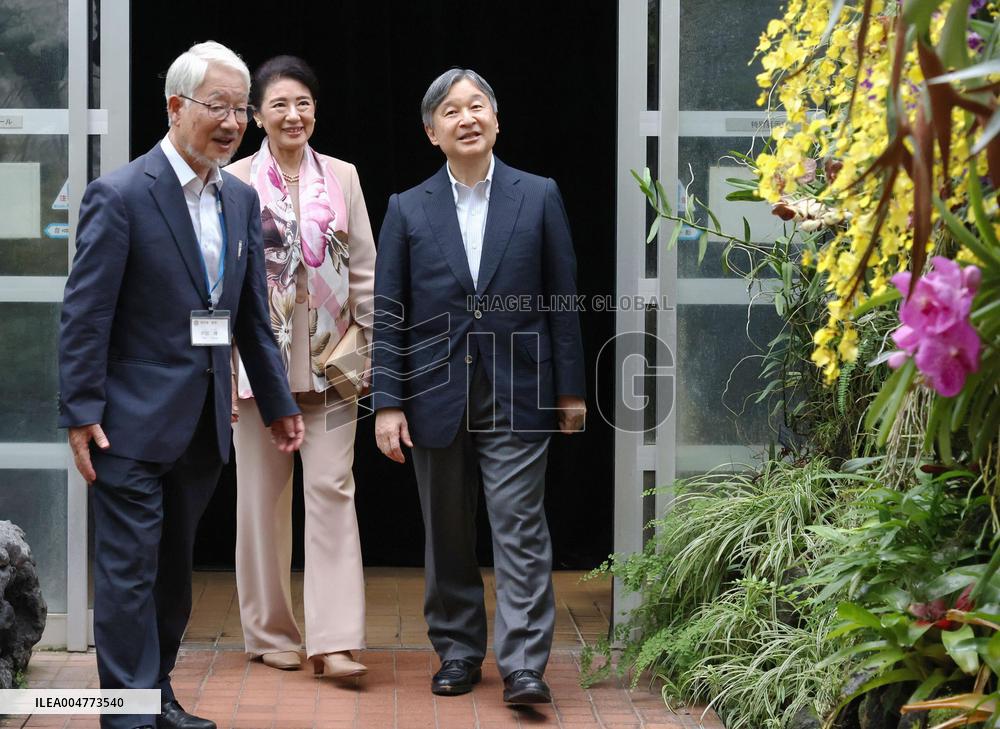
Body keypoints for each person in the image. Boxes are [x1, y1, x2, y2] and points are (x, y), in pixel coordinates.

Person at [58, 41, 303, 729]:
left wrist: (279, 405)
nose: (232, 122)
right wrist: (79, 410)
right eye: (217, 106)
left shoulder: (240, 198)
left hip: (202, 423)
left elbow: (250, 317)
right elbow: (86, 313)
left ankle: (155, 695)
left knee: (171, 576)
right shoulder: (122, 195)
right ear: (174, 107)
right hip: (128, 423)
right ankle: (128, 713)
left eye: (239, 109)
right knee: (128, 576)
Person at [371, 68, 587, 704]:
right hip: (433, 391)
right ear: (431, 132)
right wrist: (387, 403)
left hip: (519, 388)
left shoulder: (538, 194)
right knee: (447, 531)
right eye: (451, 111)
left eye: (478, 107)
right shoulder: (407, 208)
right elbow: (389, 313)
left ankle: (524, 665)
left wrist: (570, 391)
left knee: (519, 525)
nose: (467, 118)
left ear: (497, 119)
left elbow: (562, 298)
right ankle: (459, 652)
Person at [225, 55, 375, 678]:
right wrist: (220, 368)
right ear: (257, 115)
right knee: (261, 502)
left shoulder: (342, 176)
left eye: (303, 103)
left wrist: (371, 348)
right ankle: (269, 633)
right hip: (255, 365)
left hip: (334, 362)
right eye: (280, 104)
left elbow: (364, 267)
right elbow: (217, 281)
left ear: (316, 110)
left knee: (333, 491)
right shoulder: (232, 181)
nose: (294, 114)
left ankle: (334, 640)